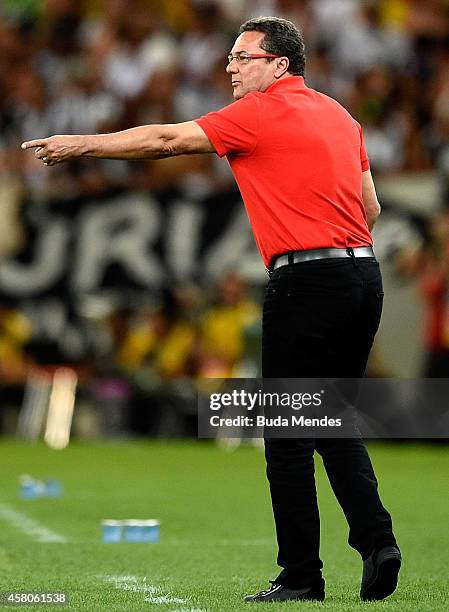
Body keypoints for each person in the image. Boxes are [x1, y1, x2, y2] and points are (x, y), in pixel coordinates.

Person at [21, 16, 401, 604]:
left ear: (279, 66)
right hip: (361, 274)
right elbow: (370, 206)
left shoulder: (259, 112)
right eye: (230, 56)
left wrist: (83, 145)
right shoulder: (340, 116)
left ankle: (302, 575)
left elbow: (167, 141)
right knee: (330, 418)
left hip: (306, 281)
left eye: (242, 56)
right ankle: (378, 541)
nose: (230, 66)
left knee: (288, 432)